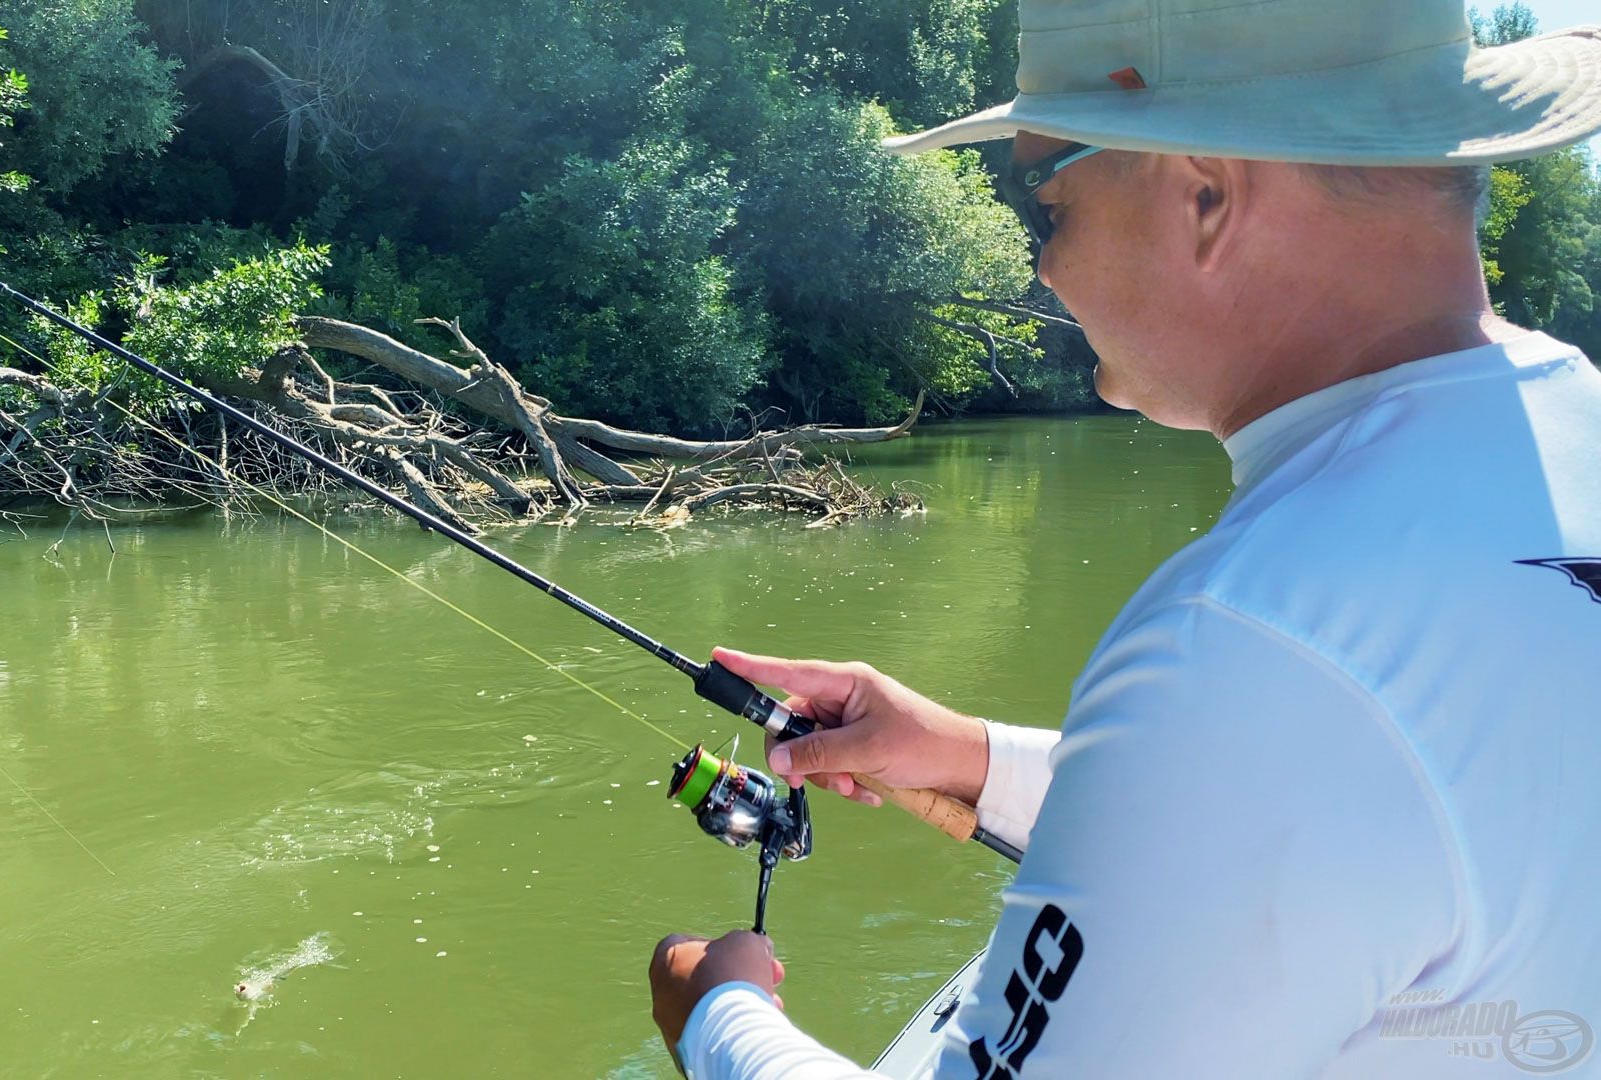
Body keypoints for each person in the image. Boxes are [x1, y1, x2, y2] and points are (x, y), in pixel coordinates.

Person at [647, 1, 1601, 1076]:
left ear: (1205, 193)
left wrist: (718, 1014)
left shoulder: (1253, 644)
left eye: (1045, 199)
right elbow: (1333, 816)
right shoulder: (1573, 433)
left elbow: (1292, 753)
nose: (1041, 266)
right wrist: (966, 756)